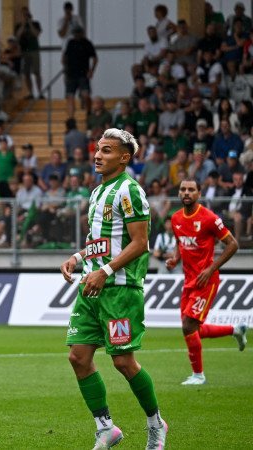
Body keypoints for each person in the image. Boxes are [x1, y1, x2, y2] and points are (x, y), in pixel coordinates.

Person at [59, 128, 167, 449]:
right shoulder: (97, 192)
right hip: (91, 286)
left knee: (123, 362)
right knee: (78, 357)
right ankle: (106, 428)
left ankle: (156, 424)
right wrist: (79, 257)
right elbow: (101, 241)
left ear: (124, 157)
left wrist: (105, 271)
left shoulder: (129, 191)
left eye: (106, 150)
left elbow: (140, 242)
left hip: (119, 289)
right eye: (97, 149)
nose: (97, 155)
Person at [166, 179, 246, 385]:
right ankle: (235, 330)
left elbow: (233, 244)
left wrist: (211, 269)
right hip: (189, 281)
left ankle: (198, 375)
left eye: (191, 190)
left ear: (199, 194)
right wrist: (175, 258)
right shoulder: (176, 218)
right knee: (194, 329)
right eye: (183, 189)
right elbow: (180, 242)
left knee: (188, 326)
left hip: (206, 280)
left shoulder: (210, 218)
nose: (186, 192)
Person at [62, 25, 97, 119]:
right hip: (71, 74)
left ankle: (88, 112)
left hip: (83, 74)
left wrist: (91, 70)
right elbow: (65, 57)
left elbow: (95, 58)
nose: (76, 35)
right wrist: (65, 69)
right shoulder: (70, 43)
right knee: (70, 97)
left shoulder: (87, 43)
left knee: (86, 95)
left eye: (78, 33)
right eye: (75, 33)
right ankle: (71, 118)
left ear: (82, 33)